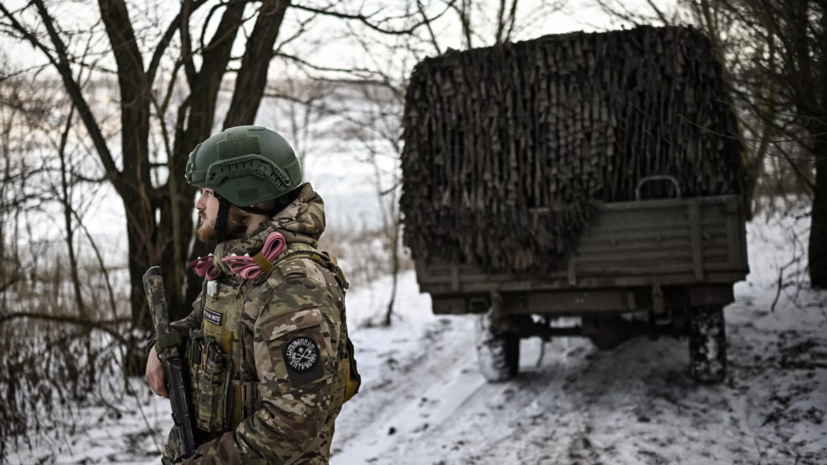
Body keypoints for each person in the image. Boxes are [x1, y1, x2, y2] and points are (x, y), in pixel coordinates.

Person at [144, 126, 360, 465]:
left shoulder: (294, 286)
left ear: (245, 197)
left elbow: (291, 424)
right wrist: (165, 345)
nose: (199, 204)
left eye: (209, 192)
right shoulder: (241, 264)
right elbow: (206, 322)